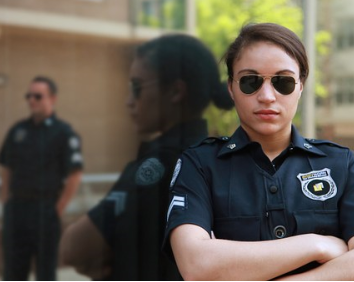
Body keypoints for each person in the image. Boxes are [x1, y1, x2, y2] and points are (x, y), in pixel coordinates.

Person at [164, 23, 354, 281]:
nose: (266, 96)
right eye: (250, 81)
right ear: (231, 87)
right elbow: (197, 266)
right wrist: (316, 245)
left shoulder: (341, 165)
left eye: (283, 82)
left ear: (301, 86)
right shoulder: (199, 165)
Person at [59, 34, 233, 280]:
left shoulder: (163, 161)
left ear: (175, 91)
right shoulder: (216, 156)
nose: (129, 101)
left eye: (137, 87)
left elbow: (74, 248)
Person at [0, 76, 83, 280]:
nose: (31, 100)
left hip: (45, 211)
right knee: (12, 270)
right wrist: (6, 201)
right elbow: (7, 167)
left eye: (37, 96)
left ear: (52, 98)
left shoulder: (64, 133)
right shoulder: (18, 130)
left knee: (45, 271)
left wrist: (57, 208)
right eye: (29, 95)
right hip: (16, 210)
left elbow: (75, 173)